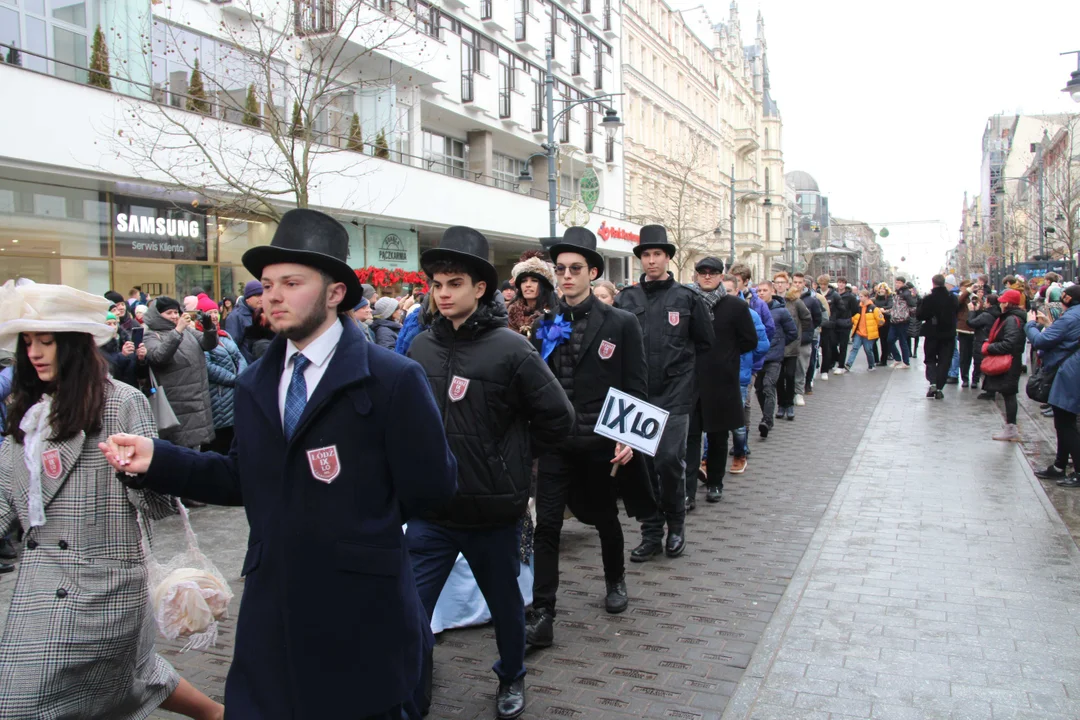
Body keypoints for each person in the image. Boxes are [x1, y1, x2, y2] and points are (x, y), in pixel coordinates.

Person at [98, 208, 459, 720]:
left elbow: (433, 488)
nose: (273, 295)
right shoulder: (256, 383)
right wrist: (159, 457)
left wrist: (354, 524)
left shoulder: (393, 379)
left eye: (292, 282)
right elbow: (239, 477)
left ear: (336, 293)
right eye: (267, 283)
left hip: (361, 610)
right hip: (274, 609)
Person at [0, 279, 223, 720]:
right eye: (28, 342)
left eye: (48, 342)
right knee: (130, 677)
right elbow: (9, 497)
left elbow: (159, 506)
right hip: (40, 582)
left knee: (24, 701)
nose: (35, 353)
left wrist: (138, 474)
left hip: (106, 584)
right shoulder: (25, 407)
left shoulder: (121, 401)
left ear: (76, 347)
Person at [407, 226, 572, 720]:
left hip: (493, 510)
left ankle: (511, 676)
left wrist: (512, 461)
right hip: (433, 512)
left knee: (505, 607)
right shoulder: (420, 348)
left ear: (479, 288)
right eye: (436, 284)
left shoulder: (511, 349)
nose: (443, 293)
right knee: (412, 609)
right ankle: (415, 685)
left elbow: (558, 419)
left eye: (453, 283)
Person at [526, 227, 652, 647]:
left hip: (600, 442)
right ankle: (543, 609)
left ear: (593, 272)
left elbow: (635, 384)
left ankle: (615, 580)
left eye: (575, 269)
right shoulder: (544, 323)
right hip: (555, 444)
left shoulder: (621, 323)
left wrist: (628, 437)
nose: (565, 276)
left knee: (603, 518)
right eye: (560, 269)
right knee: (546, 525)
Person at [615, 225, 713, 561]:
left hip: (675, 393)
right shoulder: (626, 299)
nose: (652, 260)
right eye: (646, 254)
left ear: (668, 258)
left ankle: (676, 525)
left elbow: (705, 343)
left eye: (657, 254)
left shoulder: (687, 298)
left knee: (669, 462)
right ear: (640, 259)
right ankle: (651, 532)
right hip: (636, 395)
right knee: (640, 468)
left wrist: (691, 384)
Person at [686, 261, 758, 505]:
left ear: (720, 276)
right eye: (703, 273)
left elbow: (749, 340)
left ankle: (715, 483)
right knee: (691, 437)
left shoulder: (735, 306)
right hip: (691, 380)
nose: (707, 277)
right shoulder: (686, 301)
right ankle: (688, 490)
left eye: (713, 273)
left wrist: (726, 355)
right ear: (696, 275)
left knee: (718, 437)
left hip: (721, 381)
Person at [143, 296, 218, 450]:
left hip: (197, 401)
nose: (174, 316)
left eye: (176, 312)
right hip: (176, 405)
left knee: (196, 451)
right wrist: (178, 330)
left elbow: (208, 344)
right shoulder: (151, 335)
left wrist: (209, 327)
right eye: (169, 313)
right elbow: (159, 357)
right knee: (179, 451)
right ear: (158, 315)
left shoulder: (188, 332)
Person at [1027, 285, 1080, 485]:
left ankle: (1075, 471)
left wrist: (1030, 325)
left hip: (1069, 373)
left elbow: (1042, 341)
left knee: (1065, 423)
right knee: (1064, 421)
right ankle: (1059, 465)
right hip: (1071, 371)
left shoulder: (1070, 317)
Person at [198, 294, 248, 456]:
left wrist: (242, 374)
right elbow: (208, 366)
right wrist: (234, 379)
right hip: (218, 394)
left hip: (234, 392)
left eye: (214, 312)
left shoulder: (225, 335)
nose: (213, 316)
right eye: (209, 313)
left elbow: (239, 357)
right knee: (221, 442)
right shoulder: (199, 337)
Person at [981, 289, 1029, 441]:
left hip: (1010, 361)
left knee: (1009, 393)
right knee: (1008, 393)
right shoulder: (1013, 318)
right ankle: (1010, 428)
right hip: (1012, 360)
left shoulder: (1011, 320)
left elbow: (1010, 343)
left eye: (1003, 302)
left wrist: (989, 348)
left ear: (1007, 303)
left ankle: (1011, 429)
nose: (1000, 304)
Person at [755, 281, 797, 437]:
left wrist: (779, 344)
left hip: (774, 357)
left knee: (768, 385)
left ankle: (767, 420)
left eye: (765, 290)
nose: (761, 293)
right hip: (758, 356)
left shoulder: (781, 312)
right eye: (759, 290)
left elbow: (792, 332)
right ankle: (766, 414)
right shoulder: (753, 310)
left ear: (772, 291)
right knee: (759, 389)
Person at [916, 274, 959, 399]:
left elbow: (920, 316)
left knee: (930, 359)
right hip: (948, 334)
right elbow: (956, 311)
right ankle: (939, 387)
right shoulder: (952, 298)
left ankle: (933, 383)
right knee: (944, 361)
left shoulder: (929, 298)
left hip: (932, 333)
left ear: (933, 283)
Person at [506, 250, 557, 335]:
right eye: (523, 281)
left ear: (544, 285)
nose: (528, 285)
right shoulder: (509, 313)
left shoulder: (554, 313)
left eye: (534, 281)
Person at [777, 285, 806, 420]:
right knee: (778, 377)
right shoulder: (772, 301)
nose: (780, 285)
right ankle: (781, 404)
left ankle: (789, 405)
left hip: (792, 346)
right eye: (777, 282)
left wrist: (801, 336)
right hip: (776, 347)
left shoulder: (795, 302)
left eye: (782, 282)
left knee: (789, 375)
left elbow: (808, 318)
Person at [794, 272, 822, 399]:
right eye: (795, 282)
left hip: (805, 338)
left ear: (804, 283)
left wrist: (808, 330)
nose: (797, 285)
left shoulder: (812, 300)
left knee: (802, 365)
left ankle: (799, 391)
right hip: (790, 339)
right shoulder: (787, 299)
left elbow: (817, 319)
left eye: (800, 282)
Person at [968, 291, 1000, 399]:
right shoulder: (998, 313)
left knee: (979, 362)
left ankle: (976, 381)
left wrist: (972, 311)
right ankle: (992, 388)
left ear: (989, 303)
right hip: (993, 342)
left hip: (982, 341)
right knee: (991, 365)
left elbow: (971, 323)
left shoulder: (986, 315)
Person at [101, 310, 144, 387]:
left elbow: (140, 374)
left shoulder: (125, 340)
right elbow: (110, 372)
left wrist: (141, 359)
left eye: (115, 323)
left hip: (132, 388)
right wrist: (123, 356)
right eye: (108, 324)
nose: (113, 327)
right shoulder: (99, 346)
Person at [845, 289, 886, 372]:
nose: (860, 298)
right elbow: (855, 317)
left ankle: (871, 365)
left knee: (868, 350)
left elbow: (881, 321)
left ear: (866, 297)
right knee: (855, 348)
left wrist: (874, 327)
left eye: (861, 297)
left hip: (868, 334)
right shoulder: (859, 307)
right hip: (859, 332)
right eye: (859, 296)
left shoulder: (873, 308)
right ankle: (848, 364)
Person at [225, 280, 265, 363]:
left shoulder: (265, 313)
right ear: (247, 299)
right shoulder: (235, 316)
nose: (261, 298)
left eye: (262, 294)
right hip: (248, 366)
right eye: (257, 295)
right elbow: (232, 347)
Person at [831, 277, 859, 373]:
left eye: (843, 283)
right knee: (832, 343)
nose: (841, 284)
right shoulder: (833, 294)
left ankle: (841, 366)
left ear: (845, 284)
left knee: (843, 345)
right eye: (839, 282)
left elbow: (855, 309)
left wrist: (848, 317)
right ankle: (837, 359)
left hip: (845, 323)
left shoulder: (850, 297)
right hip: (834, 322)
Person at [888, 276, 914, 369]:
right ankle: (897, 358)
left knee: (903, 341)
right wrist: (888, 311)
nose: (897, 284)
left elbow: (913, 306)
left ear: (903, 283)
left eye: (899, 282)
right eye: (896, 282)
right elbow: (895, 307)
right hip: (894, 320)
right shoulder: (896, 293)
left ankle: (906, 362)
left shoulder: (906, 293)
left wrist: (906, 315)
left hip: (903, 321)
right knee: (890, 340)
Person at [872, 283, 893, 367]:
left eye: (884, 289)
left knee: (884, 341)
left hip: (885, 321)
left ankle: (883, 360)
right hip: (875, 321)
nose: (882, 290)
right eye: (880, 288)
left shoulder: (889, 297)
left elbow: (890, 305)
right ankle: (875, 359)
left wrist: (882, 309)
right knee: (873, 340)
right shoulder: (875, 298)